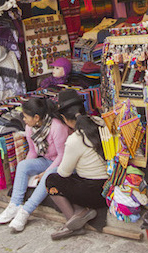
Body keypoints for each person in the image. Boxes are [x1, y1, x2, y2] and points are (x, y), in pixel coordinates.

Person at [0, 97, 69, 232]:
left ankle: (25, 211)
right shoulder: (30, 128)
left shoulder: (57, 127)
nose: (23, 119)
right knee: (23, 166)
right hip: (46, 160)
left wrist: (45, 173)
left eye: (25, 117)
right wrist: (29, 168)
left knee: (48, 176)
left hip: (62, 163)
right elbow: (33, 151)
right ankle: (14, 204)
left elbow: (62, 156)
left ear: (36, 117)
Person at [46, 89, 108, 240]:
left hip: (94, 194)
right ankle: (80, 214)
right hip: (109, 188)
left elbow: (63, 173)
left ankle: (73, 222)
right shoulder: (100, 122)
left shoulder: (75, 139)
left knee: (52, 180)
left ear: (64, 118)